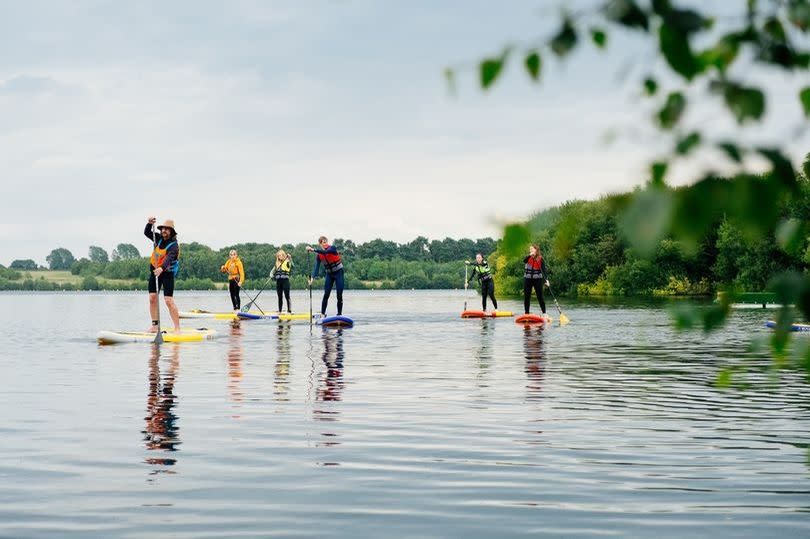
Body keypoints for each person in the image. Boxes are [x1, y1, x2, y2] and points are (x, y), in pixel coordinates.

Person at [145, 217, 181, 332]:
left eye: (167, 229)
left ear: (171, 231)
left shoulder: (174, 245)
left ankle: (177, 328)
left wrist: (161, 268)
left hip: (167, 273)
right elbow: (146, 232)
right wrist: (149, 223)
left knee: (168, 300)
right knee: (152, 298)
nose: (164, 230)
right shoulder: (158, 238)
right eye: (163, 228)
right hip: (155, 271)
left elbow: (169, 259)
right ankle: (155, 326)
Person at [307, 236, 344, 316]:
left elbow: (326, 252)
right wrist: (312, 279)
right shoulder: (319, 256)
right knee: (326, 294)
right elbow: (316, 268)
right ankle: (322, 314)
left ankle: (339, 314)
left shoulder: (332, 248)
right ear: (320, 244)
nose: (325, 244)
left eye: (326, 242)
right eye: (323, 242)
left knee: (339, 294)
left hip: (338, 273)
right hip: (329, 274)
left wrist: (313, 250)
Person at [524, 243, 550, 316]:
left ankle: (544, 313)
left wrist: (546, 280)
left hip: (537, 280)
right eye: (530, 249)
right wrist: (530, 255)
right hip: (527, 279)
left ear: (536, 250)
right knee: (527, 297)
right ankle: (526, 313)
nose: (530, 250)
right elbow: (524, 261)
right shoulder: (528, 258)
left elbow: (544, 271)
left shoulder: (541, 259)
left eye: (532, 249)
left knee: (540, 297)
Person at [272, 249, 293, 313]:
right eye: (279, 255)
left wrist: (290, 258)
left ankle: (289, 311)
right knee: (279, 296)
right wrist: (271, 275)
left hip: (285, 281)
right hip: (278, 282)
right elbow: (272, 272)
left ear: (284, 255)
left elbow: (292, 265)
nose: (280, 256)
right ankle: (280, 311)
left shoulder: (287, 262)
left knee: (287, 296)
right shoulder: (276, 264)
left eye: (281, 255)